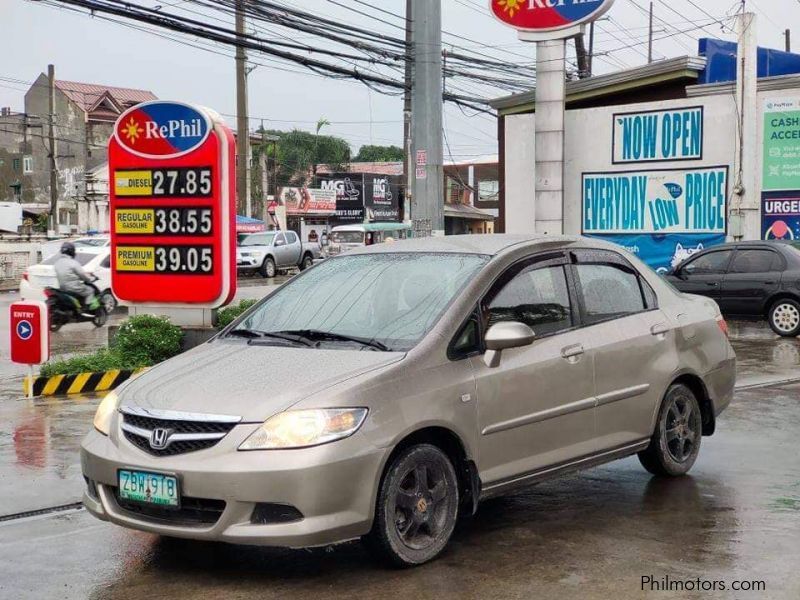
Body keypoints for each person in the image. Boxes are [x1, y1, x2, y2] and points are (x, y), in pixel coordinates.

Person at [54, 242, 100, 309]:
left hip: (62, 288)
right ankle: (87, 309)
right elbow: (82, 275)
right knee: (90, 291)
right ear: (72, 252)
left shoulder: (57, 262)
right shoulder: (73, 263)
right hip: (74, 287)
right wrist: (89, 279)